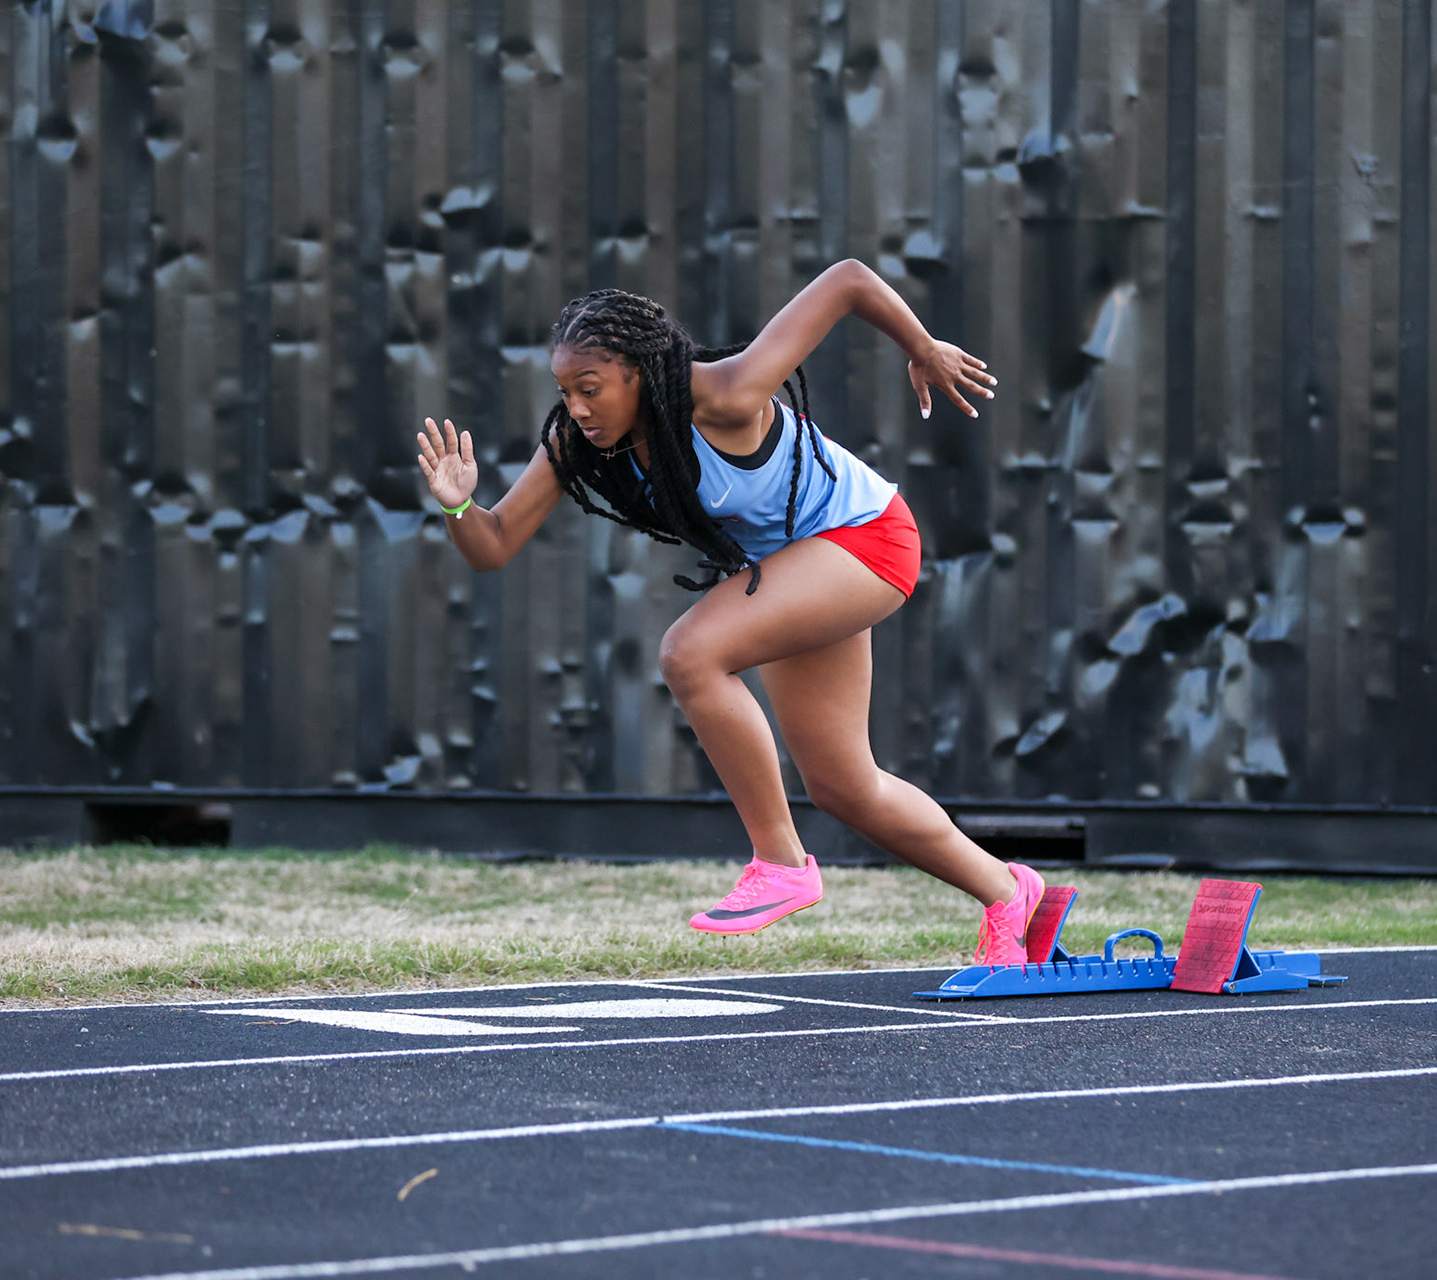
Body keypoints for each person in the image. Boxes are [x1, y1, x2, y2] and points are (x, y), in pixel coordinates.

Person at [414, 258, 1043, 965]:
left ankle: (780, 863)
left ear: (639, 374)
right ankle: (1008, 891)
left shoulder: (725, 394)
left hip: (868, 539)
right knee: (843, 787)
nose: (578, 408)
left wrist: (923, 347)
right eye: (565, 390)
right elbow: (493, 546)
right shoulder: (577, 443)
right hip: (794, 568)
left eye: (590, 389)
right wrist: (459, 504)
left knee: (691, 651)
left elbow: (848, 280)